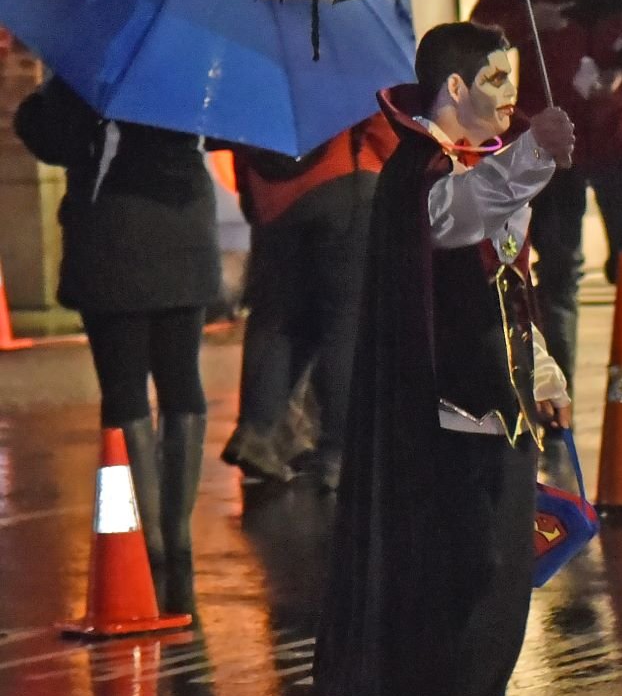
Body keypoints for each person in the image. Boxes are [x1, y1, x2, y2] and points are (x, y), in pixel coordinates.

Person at [314, 24, 574, 696]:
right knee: (453, 568)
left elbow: (516, 284)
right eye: (496, 80)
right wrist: (532, 155)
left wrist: (546, 376)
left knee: (501, 572)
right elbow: (464, 212)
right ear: (454, 87)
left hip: (505, 399)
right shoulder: (421, 172)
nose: (510, 96)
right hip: (446, 409)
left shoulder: (476, 165)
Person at [14, 79, 221, 616]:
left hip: (112, 237)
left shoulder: (92, 66)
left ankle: (146, 542)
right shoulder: (191, 65)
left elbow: (50, 136)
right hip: (184, 231)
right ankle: (177, 538)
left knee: (124, 387)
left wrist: (42, 100)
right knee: (182, 381)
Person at [470, 0, 622, 392]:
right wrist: (524, 20)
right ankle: (559, 398)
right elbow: (477, 32)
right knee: (558, 271)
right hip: (552, 135)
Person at [224, 112, 401, 491]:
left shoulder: (256, 55)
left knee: (279, 316)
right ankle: (339, 452)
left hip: (273, 197)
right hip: (346, 184)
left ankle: (256, 432)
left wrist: (253, 196)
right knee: (346, 325)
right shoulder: (339, 50)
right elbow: (379, 117)